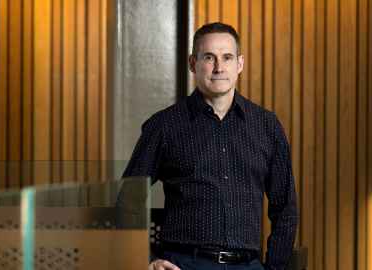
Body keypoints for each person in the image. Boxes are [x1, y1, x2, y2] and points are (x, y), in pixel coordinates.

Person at [122, 22, 298, 270]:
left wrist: (274, 268)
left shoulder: (267, 126)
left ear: (240, 64)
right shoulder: (164, 126)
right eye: (209, 58)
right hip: (184, 264)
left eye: (227, 57)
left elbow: (285, 208)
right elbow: (126, 201)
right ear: (193, 63)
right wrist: (148, 259)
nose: (218, 68)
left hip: (248, 266)